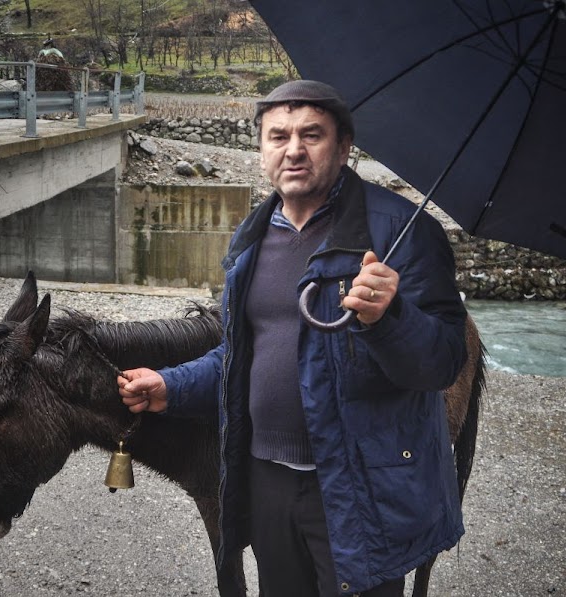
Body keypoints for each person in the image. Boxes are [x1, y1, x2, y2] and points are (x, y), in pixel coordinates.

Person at [118, 80, 468, 596]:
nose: (294, 149)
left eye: (312, 135)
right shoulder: (251, 238)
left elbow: (442, 363)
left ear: (344, 146)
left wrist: (390, 318)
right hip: (269, 481)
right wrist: (171, 386)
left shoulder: (403, 233)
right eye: (278, 136)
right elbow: (242, 356)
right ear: (260, 150)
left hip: (360, 485)